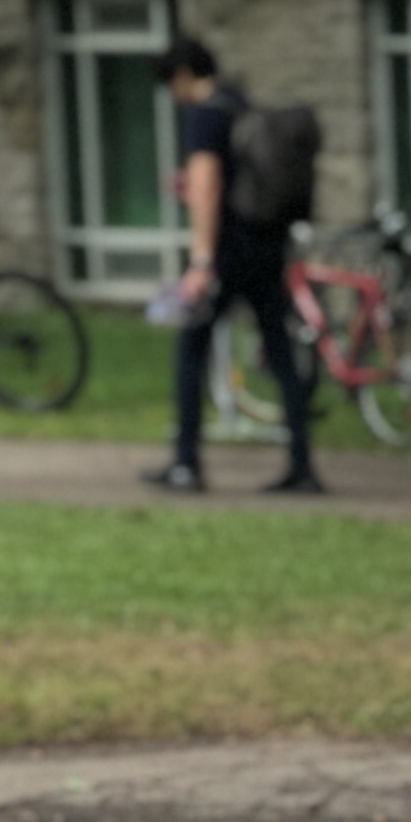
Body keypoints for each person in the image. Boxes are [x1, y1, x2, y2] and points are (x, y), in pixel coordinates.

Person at [146, 35, 321, 498]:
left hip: (227, 252)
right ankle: (302, 463)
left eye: (171, 85)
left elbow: (207, 188)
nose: (174, 96)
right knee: (281, 352)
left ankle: (186, 462)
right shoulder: (241, 105)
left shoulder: (204, 115)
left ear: (183, 76)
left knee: (191, 350)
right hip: (267, 245)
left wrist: (201, 261)